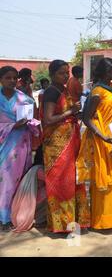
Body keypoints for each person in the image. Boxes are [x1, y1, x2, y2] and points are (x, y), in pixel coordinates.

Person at [76, 58, 112, 231]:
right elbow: (87, 118)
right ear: (104, 72)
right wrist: (103, 136)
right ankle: (101, 221)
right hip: (102, 139)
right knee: (104, 179)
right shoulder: (97, 91)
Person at [42, 60, 90, 233]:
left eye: (67, 72)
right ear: (52, 74)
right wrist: (71, 112)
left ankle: (77, 221)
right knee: (61, 183)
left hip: (70, 142)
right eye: (62, 73)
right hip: (56, 146)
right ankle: (62, 225)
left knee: (73, 180)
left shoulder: (63, 90)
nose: (65, 76)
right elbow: (47, 119)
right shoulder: (51, 92)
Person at [0, 66, 39, 231]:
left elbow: (35, 123)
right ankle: (3, 216)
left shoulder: (26, 100)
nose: (12, 81)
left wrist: (30, 123)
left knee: (16, 182)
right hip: (3, 147)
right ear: (1, 79)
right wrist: (12, 125)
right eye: (8, 78)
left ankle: (13, 216)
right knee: (4, 181)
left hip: (20, 147)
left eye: (14, 78)